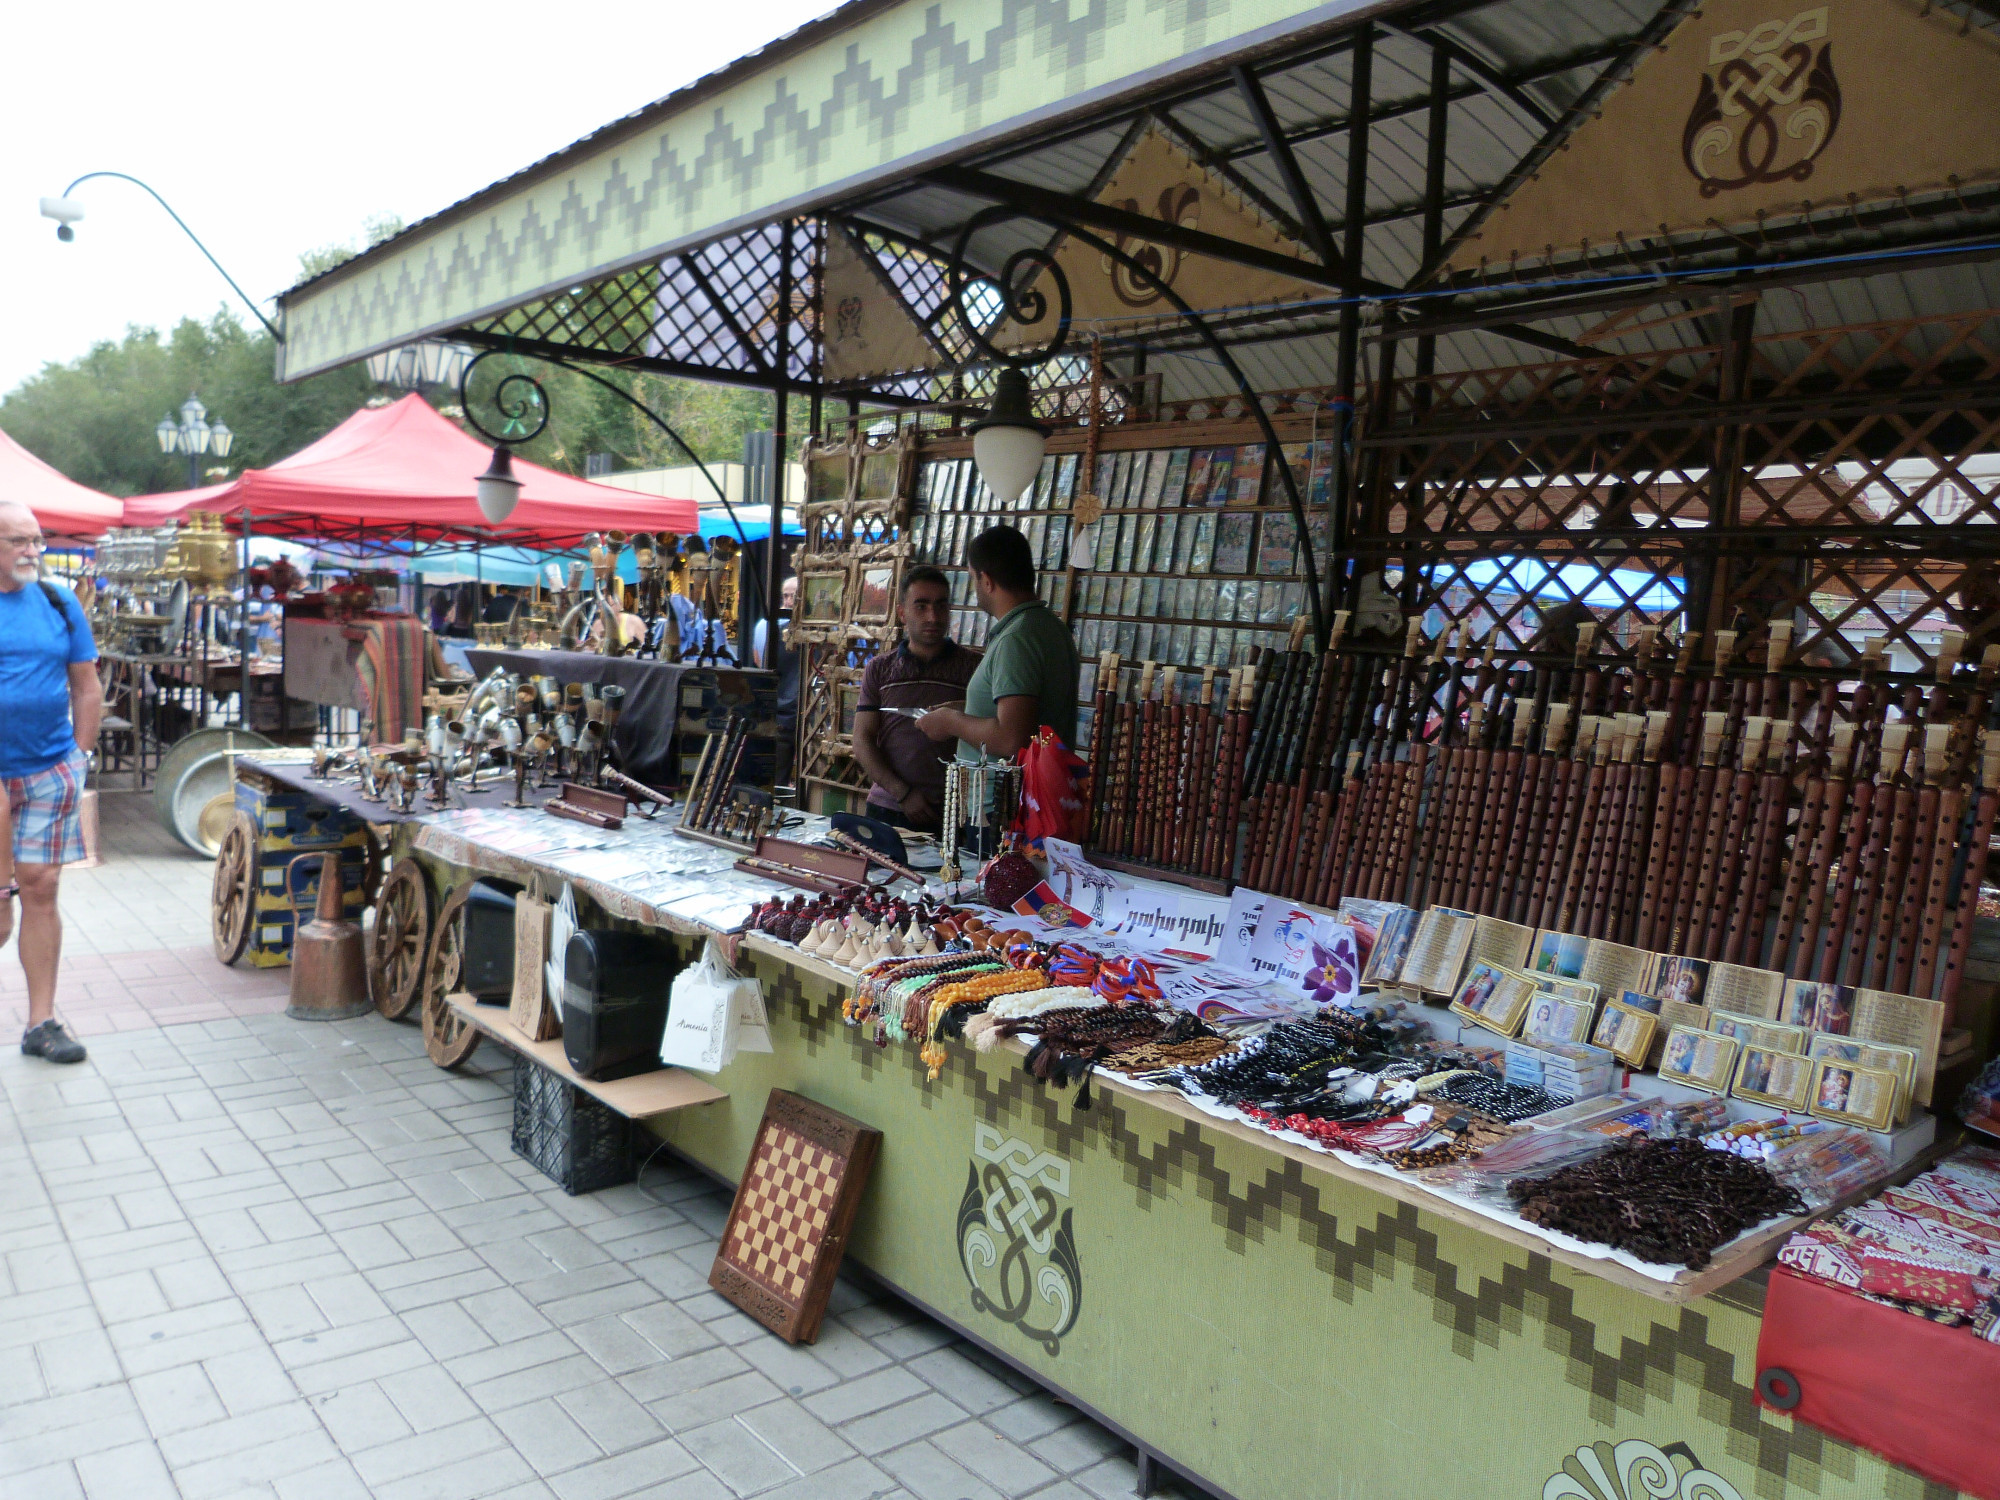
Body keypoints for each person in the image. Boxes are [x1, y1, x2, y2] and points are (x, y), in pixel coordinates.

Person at [0, 502, 100, 1064]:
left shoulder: (59, 602)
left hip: (48, 770)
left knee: (41, 888)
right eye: (18, 541)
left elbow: (86, 686)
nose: (32, 551)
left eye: (37, 540)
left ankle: (42, 1023)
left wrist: (79, 758)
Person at [918, 526, 1078, 768]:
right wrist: (968, 709)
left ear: (987, 581)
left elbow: (1011, 739)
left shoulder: (1016, 639)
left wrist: (951, 721)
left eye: (973, 577)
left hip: (1005, 801)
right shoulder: (1049, 627)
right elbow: (1029, 711)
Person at [851, 568, 979, 833]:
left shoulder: (974, 668)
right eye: (921, 606)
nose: (932, 617)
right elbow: (862, 739)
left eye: (940, 606)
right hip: (889, 806)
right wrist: (903, 793)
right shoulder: (879, 669)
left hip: (951, 813)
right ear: (902, 613)